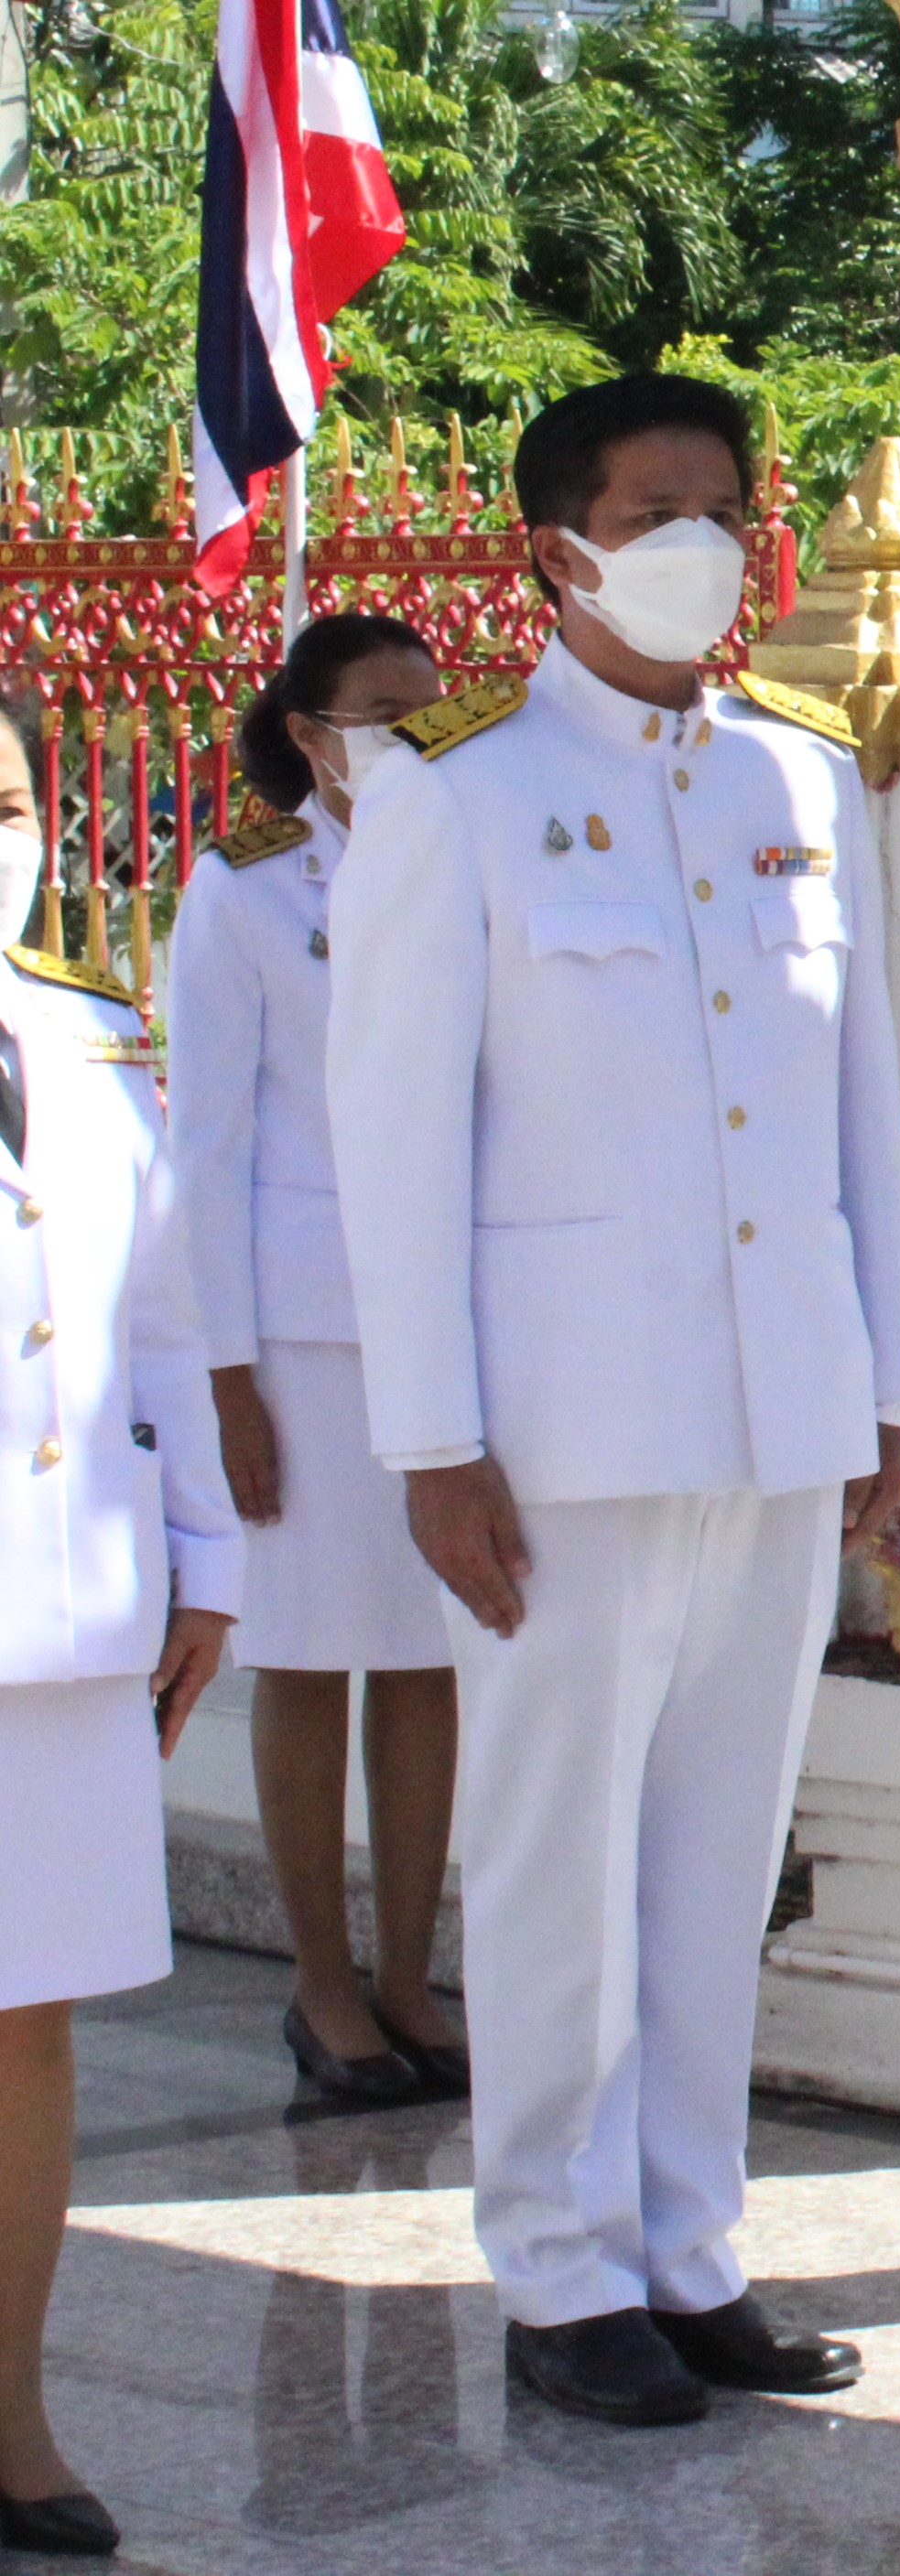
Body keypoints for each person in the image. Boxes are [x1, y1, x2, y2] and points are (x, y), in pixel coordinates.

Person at [327, 372, 900, 2427]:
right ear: (556, 548)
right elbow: (389, 1145)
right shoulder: (452, 794)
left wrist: (888, 1386)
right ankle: (563, 2267)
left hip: (777, 1407)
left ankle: (693, 2244)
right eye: (658, 508)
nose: (709, 543)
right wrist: (429, 1440)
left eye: (728, 509)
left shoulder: (805, 779)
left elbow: (868, 1112)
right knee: (559, 1843)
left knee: (715, 1843)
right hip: (559, 1434)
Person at [169, 613, 464, 2107]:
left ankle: (412, 1974)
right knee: (308, 1658)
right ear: (308, 731)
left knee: (428, 1662)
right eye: (378, 713)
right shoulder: (246, 893)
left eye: (430, 710)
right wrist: (223, 1373)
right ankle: (324, 1984)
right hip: (302, 1330)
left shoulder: (472, 862)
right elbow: (205, 1149)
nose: (409, 736)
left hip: (452, 1319)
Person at [0, 792, 240, 2559]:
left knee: (28, 2030)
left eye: (3, 803)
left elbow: (157, 1316)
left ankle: (12, 2413)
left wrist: (205, 1562)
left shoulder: (85, 1034)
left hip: (61, 1615)